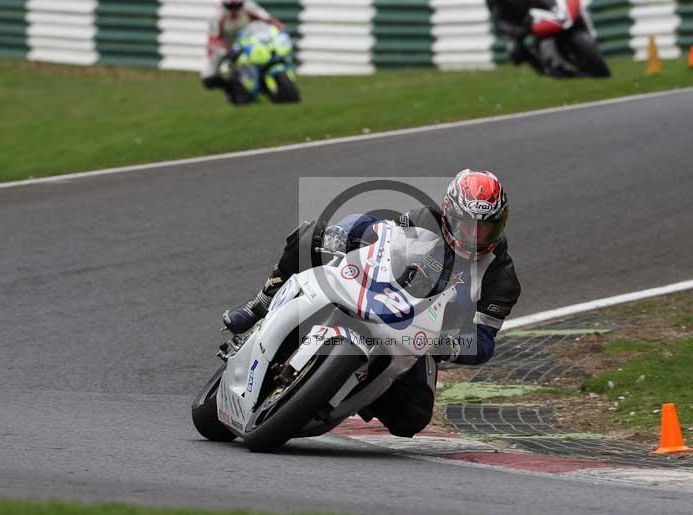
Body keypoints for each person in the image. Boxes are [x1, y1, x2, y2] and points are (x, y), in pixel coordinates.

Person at [223, 170, 522, 437]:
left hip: (418, 338)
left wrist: (451, 345)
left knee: (412, 419)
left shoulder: (501, 279)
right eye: (466, 225)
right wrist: (346, 232)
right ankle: (258, 306)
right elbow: (378, 227)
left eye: (486, 228)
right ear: (448, 215)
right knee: (310, 235)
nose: (474, 236)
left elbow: (484, 340)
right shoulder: (423, 219)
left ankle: (352, 388)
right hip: (375, 290)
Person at [201, 1, 283, 92]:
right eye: (230, 7)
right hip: (227, 45)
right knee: (208, 78)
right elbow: (214, 39)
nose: (234, 10)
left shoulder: (249, 6)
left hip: (249, 42)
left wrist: (279, 26)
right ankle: (230, 87)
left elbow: (267, 18)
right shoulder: (217, 15)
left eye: (237, 6)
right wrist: (227, 50)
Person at [487, 0, 543, 71]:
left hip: (529, 23)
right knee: (515, 50)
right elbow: (499, 22)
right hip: (512, 27)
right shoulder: (497, 4)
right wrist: (515, 31)